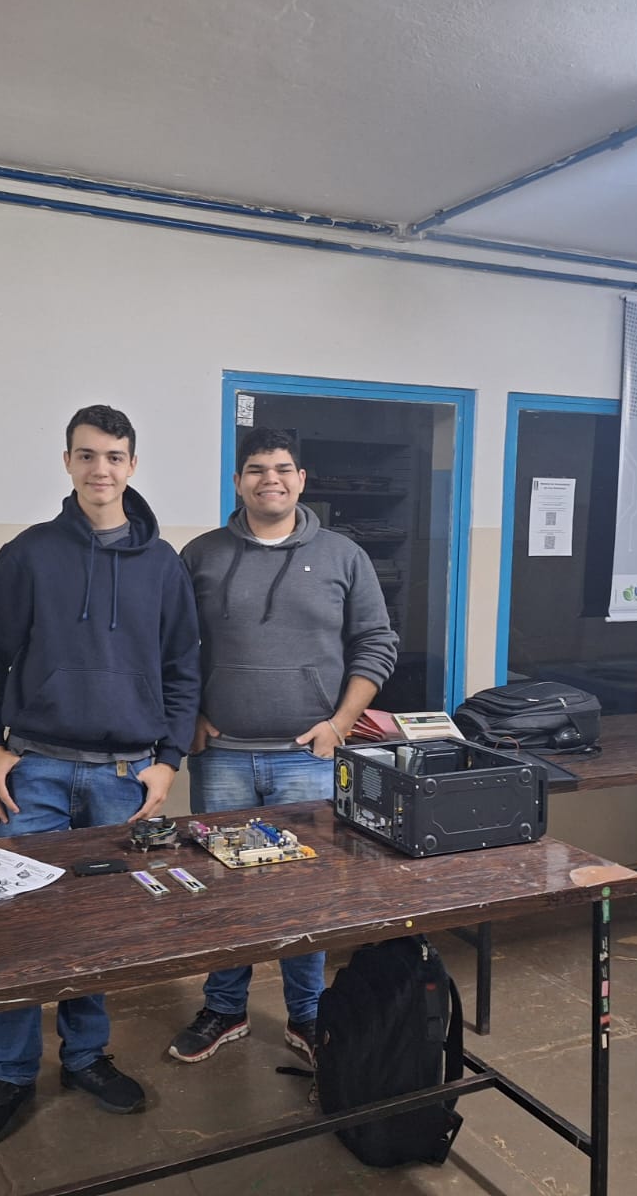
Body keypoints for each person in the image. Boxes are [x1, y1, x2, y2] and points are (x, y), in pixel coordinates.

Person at [0, 404, 200, 1145]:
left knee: (95, 931)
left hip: (122, 777)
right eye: (87, 455)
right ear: (67, 462)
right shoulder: (29, 555)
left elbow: (184, 669)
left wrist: (167, 763)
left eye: (114, 456)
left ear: (133, 465)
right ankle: (11, 1073)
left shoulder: (163, 565)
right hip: (33, 772)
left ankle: (86, 1057)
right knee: (16, 926)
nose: (101, 469)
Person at [168, 426, 397, 1065]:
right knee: (224, 887)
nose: (270, 479)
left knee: (305, 892)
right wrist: (190, 716)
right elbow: (172, 646)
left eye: (282, 468)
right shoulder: (201, 555)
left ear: (301, 480)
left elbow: (376, 642)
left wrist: (340, 723)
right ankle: (225, 1007)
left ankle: (308, 1014)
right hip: (223, 757)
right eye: (256, 469)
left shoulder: (343, 555)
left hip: (308, 756)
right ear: (238, 481)